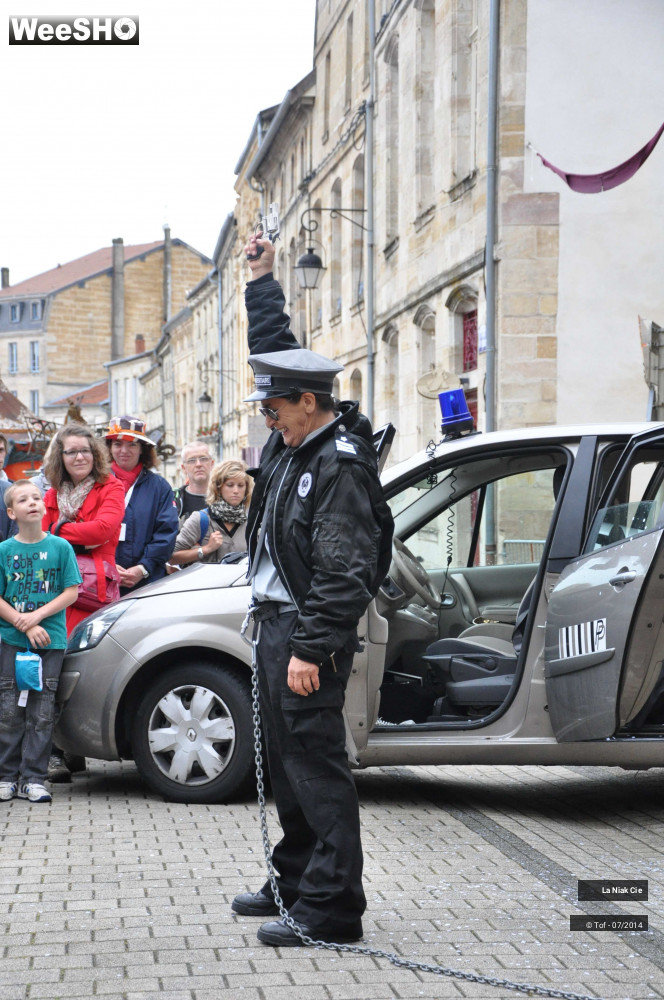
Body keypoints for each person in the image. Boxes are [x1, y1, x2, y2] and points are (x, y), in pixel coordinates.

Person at [231, 234, 393, 947]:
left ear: (308, 402)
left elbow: (345, 571)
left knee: (315, 768)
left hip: (305, 634)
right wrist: (262, 280)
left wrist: (312, 646)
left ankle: (331, 908)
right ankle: (294, 878)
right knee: (289, 765)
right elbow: (274, 346)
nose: (265, 419)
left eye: (274, 409)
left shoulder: (339, 465)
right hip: (276, 628)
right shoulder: (294, 442)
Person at [41, 422, 126, 783]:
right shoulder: (50, 492)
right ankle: (57, 752)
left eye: (86, 450)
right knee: (53, 670)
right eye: (72, 451)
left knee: (85, 670)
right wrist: (72, 535)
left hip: (93, 592)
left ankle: (76, 747)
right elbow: (37, 533)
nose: (80, 457)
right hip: (56, 590)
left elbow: (104, 530)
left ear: (96, 455)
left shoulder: (112, 486)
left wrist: (60, 531)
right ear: (60, 457)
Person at [0, 480, 81, 804]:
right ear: (11, 512)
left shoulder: (61, 548)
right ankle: (7, 777)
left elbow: (70, 591)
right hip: (12, 641)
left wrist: (35, 618)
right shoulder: (4, 551)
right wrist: (22, 623)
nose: (32, 502)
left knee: (41, 710)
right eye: (23, 499)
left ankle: (34, 778)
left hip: (51, 643)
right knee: (9, 709)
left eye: (36, 497)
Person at [105, 416, 179, 594]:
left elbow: (166, 533)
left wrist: (143, 568)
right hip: (103, 582)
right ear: (109, 449)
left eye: (132, 444)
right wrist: (106, 565)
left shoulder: (159, 487)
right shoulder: (95, 483)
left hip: (149, 583)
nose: (124, 450)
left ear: (142, 450)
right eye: (118, 444)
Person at [170, 459, 252, 567]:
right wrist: (206, 549)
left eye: (240, 485)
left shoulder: (252, 522)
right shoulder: (200, 519)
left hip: (242, 584)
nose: (236, 491)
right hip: (206, 583)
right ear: (218, 488)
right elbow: (171, 557)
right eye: (230, 485)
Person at [173, 441, 215, 525]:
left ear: (212, 464)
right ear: (183, 468)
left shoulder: (224, 497)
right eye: (192, 460)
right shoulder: (174, 500)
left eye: (203, 459)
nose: (198, 464)